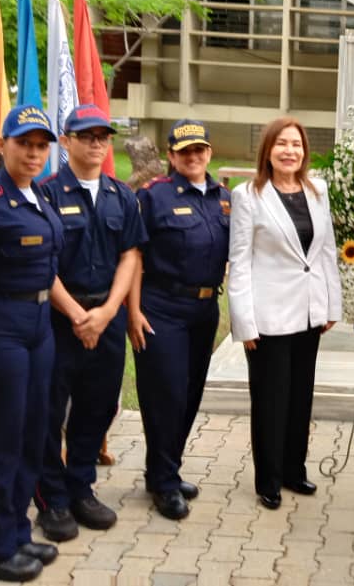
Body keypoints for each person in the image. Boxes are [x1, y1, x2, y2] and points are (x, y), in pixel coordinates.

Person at [0, 104, 91, 582]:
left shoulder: (37, 194)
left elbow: (49, 265)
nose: (35, 153)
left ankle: (17, 530)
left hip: (39, 323)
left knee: (33, 430)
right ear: (4, 145)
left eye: (42, 145)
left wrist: (70, 313)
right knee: (0, 436)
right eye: (25, 143)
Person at [34, 105, 145, 541]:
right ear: (66, 142)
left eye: (103, 136)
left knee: (96, 408)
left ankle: (80, 487)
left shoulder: (122, 196)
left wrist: (107, 312)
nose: (97, 143)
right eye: (86, 135)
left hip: (107, 318)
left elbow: (131, 255)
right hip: (60, 320)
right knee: (48, 411)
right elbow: (40, 261)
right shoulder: (45, 194)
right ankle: (51, 498)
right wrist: (79, 315)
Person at [228, 117, 341, 510]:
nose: (290, 151)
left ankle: (295, 469)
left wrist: (332, 304)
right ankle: (269, 479)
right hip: (268, 316)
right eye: (282, 144)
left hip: (309, 313)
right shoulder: (248, 195)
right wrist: (243, 321)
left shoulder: (318, 191)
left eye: (296, 144)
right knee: (271, 400)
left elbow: (325, 252)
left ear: (304, 151)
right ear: (268, 151)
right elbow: (239, 260)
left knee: (300, 397)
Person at [128, 119, 230, 521]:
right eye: (184, 151)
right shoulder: (155, 196)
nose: (193, 157)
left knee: (189, 394)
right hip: (161, 308)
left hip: (204, 311)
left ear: (209, 153)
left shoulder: (224, 198)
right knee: (164, 395)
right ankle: (164, 482)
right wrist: (132, 311)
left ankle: (165, 469)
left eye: (199, 150)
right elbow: (133, 257)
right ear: (171, 156)